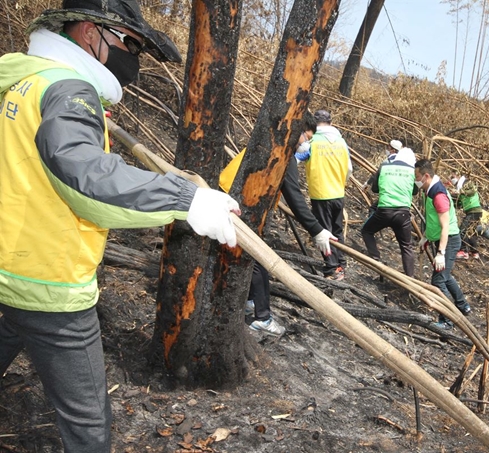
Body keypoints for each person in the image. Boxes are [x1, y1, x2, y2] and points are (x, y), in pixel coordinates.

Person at [0, 1, 241, 451]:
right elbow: (86, 178)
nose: (135, 58)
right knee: (89, 425)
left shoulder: (26, 81)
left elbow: (35, 161)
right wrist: (185, 200)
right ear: (91, 34)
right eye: (130, 44)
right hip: (49, 285)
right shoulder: (68, 89)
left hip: (10, 268)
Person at [219, 117, 336, 335]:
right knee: (257, 259)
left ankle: (250, 301)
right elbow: (295, 198)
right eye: (306, 138)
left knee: (248, 258)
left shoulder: (269, 142)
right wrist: (318, 231)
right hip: (235, 205)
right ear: (298, 133)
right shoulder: (284, 153)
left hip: (229, 197)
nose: (306, 144)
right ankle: (262, 317)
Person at [295, 109, 352, 280]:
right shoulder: (342, 142)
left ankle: (331, 268)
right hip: (338, 192)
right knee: (337, 230)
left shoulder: (312, 141)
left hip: (320, 193)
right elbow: (349, 169)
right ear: (331, 123)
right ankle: (341, 265)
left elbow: (296, 160)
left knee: (323, 231)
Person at [414, 159, 471, 328]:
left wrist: (441, 253)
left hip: (449, 240)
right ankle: (463, 305)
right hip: (441, 239)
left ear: (426, 176)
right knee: (445, 276)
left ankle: (448, 320)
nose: (415, 180)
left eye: (417, 176)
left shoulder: (438, 195)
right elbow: (433, 221)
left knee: (438, 281)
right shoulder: (430, 191)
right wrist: (426, 237)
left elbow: (445, 226)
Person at [361, 146, 417, 276]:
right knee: (406, 246)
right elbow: (415, 191)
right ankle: (411, 279)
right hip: (403, 213)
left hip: (384, 210)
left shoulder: (384, 167)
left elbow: (375, 189)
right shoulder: (411, 171)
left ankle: (376, 259)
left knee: (367, 231)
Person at [452, 176, 489, 260]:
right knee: (471, 234)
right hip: (473, 215)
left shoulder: (467, 184)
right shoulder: (462, 192)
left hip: (476, 215)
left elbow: (472, 191)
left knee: (463, 230)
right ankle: (474, 251)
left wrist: (460, 192)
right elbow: (459, 203)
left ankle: (464, 251)